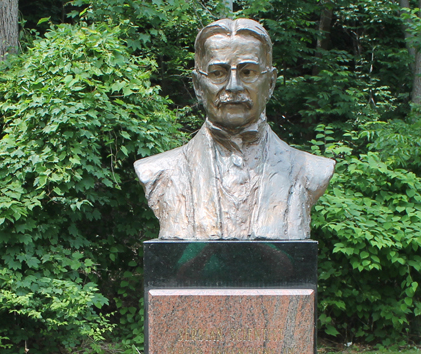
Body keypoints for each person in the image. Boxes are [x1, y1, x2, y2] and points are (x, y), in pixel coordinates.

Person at [134, 18, 335, 240]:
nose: (233, 86)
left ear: (270, 83)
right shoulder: (159, 172)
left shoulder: (309, 170)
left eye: (247, 72)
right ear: (198, 86)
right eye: (218, 73)